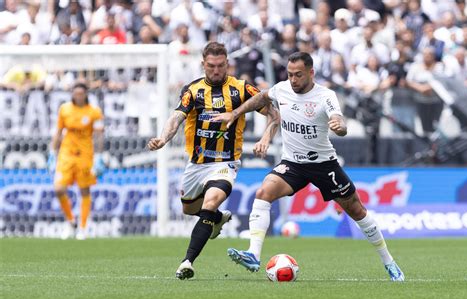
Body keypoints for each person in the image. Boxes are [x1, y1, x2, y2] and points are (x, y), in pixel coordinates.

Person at [211, 52, 405, 282]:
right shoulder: (282, 88)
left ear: (311, 73)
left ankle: (389, 262)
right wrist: (234, 113)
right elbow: (261, 98)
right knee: (263, 193)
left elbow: (339, 122)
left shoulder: (325, 96)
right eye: (290, 74)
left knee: (356, 210)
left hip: (323, 164)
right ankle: (253, 254)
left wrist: (339, 127)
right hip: (293, 164)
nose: (293, 80)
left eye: (298, 75)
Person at [147, 42, 275, 280]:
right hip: (196, 164)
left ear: (227, 64)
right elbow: (177, 116)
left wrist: (266, 136)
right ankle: (217, 219)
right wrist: (163, 138)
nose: (216, 71)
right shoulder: (193, 90)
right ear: (203, 65)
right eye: (211, 66)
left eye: (220, 66)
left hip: (225, 163)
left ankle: (187, 261)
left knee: (211, 202)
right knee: (189, 209)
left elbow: (273, 112)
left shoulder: (241, 89)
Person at [48, 82, 105, 240]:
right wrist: (53, 153)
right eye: (75, 93)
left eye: (81, 93)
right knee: (59, 189)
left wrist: (100, 156)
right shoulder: (64, 109)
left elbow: (99, 135)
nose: (78, 96)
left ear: (86, 94)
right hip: (66, 154)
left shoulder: (94, 112)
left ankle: (83, 227)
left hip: (85, 155)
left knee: (84, 190)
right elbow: (58, 132)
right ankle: (71, 221)